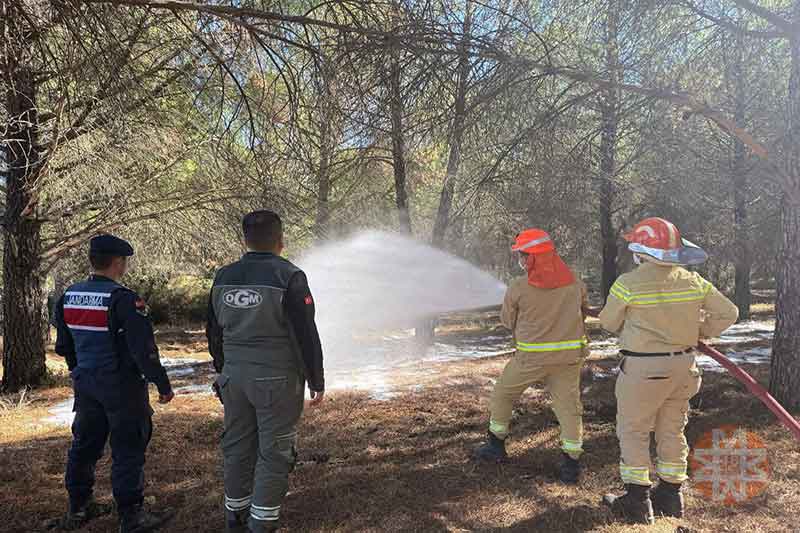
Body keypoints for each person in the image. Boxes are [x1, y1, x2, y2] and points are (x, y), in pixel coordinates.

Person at [599, 217, 738, 524]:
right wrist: (701, 331)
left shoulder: (627, 283)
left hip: (643, 370)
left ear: (641, 249)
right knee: (672, 429)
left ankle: (637, 502)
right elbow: (729, 312)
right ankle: (671, 497)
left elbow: (608, 323)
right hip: (683, 368)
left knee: (633, 430)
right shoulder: (692, 280)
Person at [207, 210, 325, 533]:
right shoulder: (289, 276)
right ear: (280, 240)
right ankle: (261, 525)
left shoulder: (223, 277)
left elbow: (213, 333)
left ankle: (236, 518)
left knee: (237, 448)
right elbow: (305, 334)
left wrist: (224, 372)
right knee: (274, 452)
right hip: (276, 381)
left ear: (246, 239)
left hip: (233, 378)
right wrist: (316, 379)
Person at [52, 234, 174, 533]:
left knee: (84, 445)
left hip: (87, 384)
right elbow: (143, 350)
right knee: (128, 449)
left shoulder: (69, 295)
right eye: (124, 262)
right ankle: (131, 516)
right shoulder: (124, 299)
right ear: (118, 263)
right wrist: (162, 384)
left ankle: (79, 507)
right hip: (122, 387)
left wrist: (79, 372)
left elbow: (64, 346)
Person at [474, 228, 589, 484]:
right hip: (568, 359)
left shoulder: (519, 287)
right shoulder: (576, 283)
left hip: (530, 360)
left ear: (534, 258)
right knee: (569, 408)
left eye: (523, 256)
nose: (521, 261)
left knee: (503, 394)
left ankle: (495, 446)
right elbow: (582, 311)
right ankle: (571, 464)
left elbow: (507, 321)